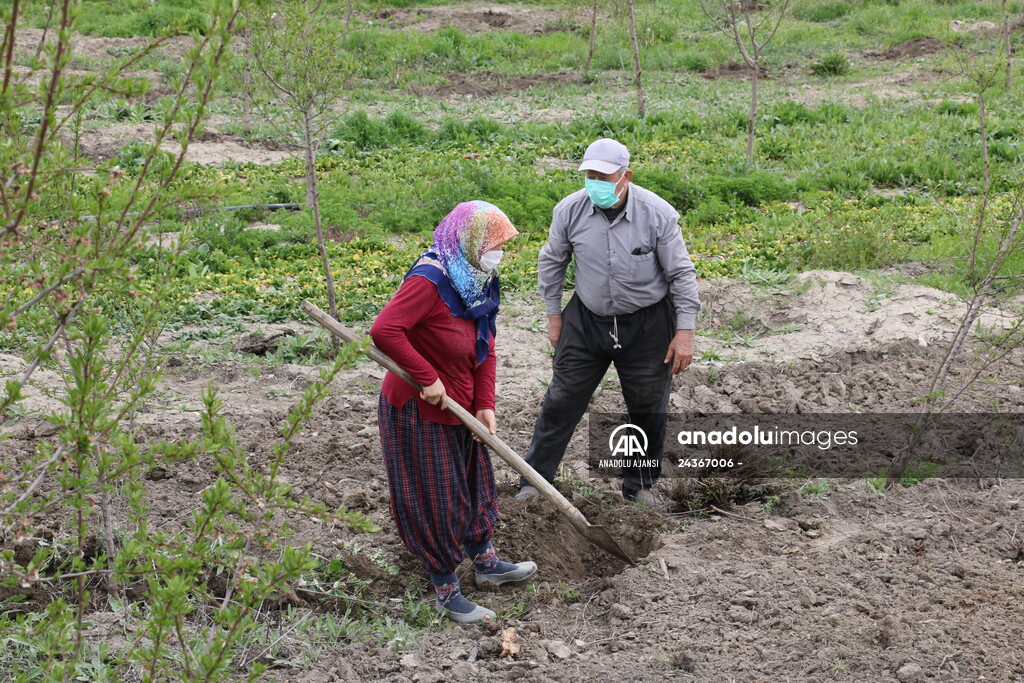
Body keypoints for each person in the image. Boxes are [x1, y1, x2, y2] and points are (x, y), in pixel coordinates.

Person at [370, 200, 537, 624]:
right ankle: (446, 589)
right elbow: (384, 330)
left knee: (475, 483)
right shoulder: (430, 279)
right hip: (419, 410)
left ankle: (486, 563)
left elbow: (486, 347)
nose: (498, 252)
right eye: (493, 244)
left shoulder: (478, 279)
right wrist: (426, 376)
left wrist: (485, 404)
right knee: (436, 497)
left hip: (461, 405)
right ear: (468, 239)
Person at [515, 138, 700, 510]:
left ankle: (640, 487)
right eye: (589, 175)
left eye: (602, 176)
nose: (594, 182)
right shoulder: (569, 211)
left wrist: (685, 332)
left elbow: (681, 273)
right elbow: (552, 263)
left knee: (648, 404)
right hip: (586, 320)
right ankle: (536, 481)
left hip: (647, 324)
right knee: (562, 398)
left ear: (625, 176)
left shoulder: (657, 214)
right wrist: (554, 317)